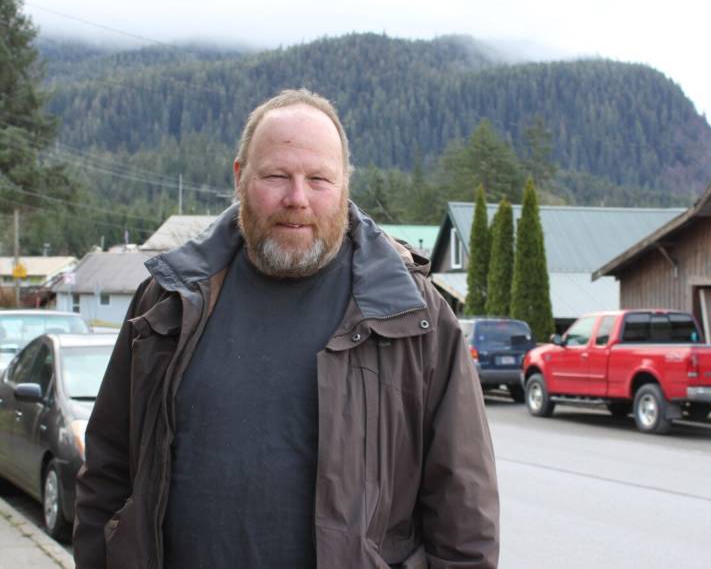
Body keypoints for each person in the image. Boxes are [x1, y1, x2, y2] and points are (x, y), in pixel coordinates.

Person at [73, 88, 499, 568]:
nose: (297, 198)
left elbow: (464, 518)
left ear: (344, 186)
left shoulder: (413, 315)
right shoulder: (168, 300)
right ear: (240, 178)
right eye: (276, 176)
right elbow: (107, 474)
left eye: (319, 179)